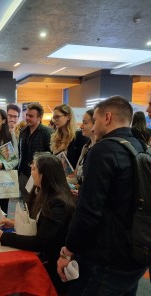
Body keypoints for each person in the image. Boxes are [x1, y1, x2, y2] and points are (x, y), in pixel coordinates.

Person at [57, 96, 148, 295]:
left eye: (95, 121)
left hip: (106, 258)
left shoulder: (103, 150)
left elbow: (88, 212)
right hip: (136, 250)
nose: (94, 128)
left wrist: (68, 251)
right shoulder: (140, 147)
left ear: (107, 117)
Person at [0, 152, 75, 295]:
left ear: (45, 174)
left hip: (51, 266)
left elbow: (40, 242)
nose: (31, 171)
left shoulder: (58, 202)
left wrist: (2, 237)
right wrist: (15, 223)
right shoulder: (41, 192)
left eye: (34, 168)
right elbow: (37, 221)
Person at [18, 103, 52, 203]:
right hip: (24, 174)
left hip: (39, 175)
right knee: (26, 202)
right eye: (27, 115)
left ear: (40, 117)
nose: (27, 118)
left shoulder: (47, 132)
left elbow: (50, 155)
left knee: (38, 203)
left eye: (31, 116)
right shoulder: (23, 132)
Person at [50, 104, 88, 169]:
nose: (54, 120)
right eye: (54, 117)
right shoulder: (55, 136)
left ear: (68, 117)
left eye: (57, 117)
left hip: (72, 177)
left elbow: (82, 160)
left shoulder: (79, 136)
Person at [68, 109, 96, 188]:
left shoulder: (100, 150)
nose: (81, 126)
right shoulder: (86, 146)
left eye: (85, 123)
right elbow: (77, 176)